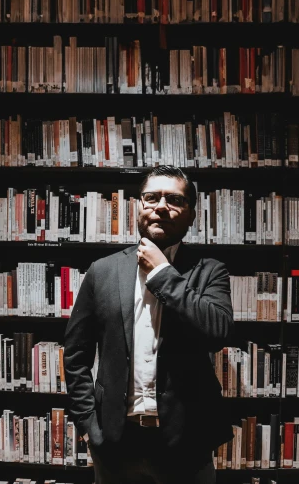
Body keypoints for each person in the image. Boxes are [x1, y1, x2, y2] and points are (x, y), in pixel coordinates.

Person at [63, 165, 234, 483]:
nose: (160, 206)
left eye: (174, 199)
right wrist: (89, 428)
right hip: (115, 444)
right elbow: (76, 355)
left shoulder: (211, 271)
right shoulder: (102, 271)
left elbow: (217, 331)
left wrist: (161, 273)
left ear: (191, 215)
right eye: (151, 197)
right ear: (138, 207)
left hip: (187, 446)